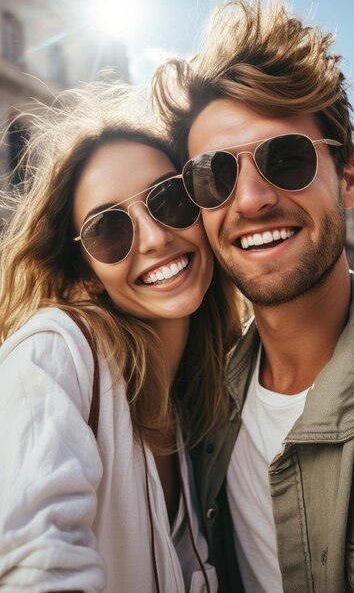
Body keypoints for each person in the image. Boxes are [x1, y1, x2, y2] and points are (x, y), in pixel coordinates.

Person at [152, 0, 354, 593]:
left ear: (347, 179)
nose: (254, 199)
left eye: (287, 159)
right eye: (216, 176)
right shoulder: (199, 407)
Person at [0, 80, 242, 592]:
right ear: (86, 270)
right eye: (109, 230)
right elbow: (36, 566)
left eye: (170, 200)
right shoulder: (53, 353)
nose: (155, 238)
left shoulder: (192, 404)